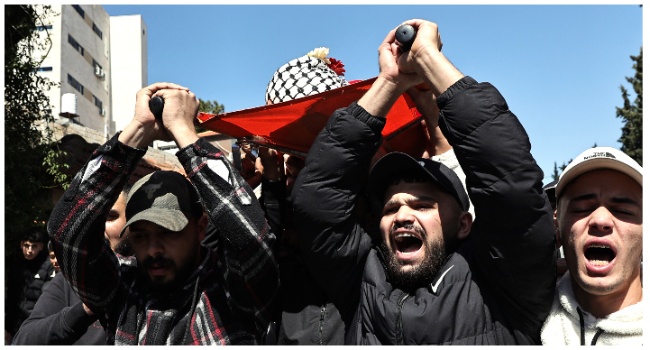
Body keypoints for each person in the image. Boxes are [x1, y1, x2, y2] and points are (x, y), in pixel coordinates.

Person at [291, 19, 556, 345]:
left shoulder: (505, 284)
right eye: (391, 208)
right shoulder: (361, 281)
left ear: (462, 224)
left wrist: (429, 59)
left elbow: (510, 182)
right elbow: (317, 198)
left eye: (422, 204)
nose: (402, 216)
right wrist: (389, 82)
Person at [47, 82, 279, 345]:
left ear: (200, 227)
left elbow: (251, 238)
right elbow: (65, 232)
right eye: (140, 235)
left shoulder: (230, 290)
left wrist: (183, 131)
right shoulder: (122, 287)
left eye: (168, 231)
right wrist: (138, 131)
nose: (153, 249)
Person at [540, 147, 643, 345]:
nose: (600, 219)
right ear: (557, 225)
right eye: (581, 209)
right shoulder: (525, 314)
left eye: (623, 210)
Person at [12, 190, 133, 345]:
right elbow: (23, 340)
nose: (95, 229)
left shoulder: (148, 279)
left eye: (109, 217)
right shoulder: (67, 280)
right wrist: (85, 309)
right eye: (88, 220)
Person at [5, 228, 55, 342]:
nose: (29, 250)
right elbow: (11, 299)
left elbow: (49, 300)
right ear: (21, 245)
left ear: (41, 247)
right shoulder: (17, 266)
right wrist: (8, 328)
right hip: (16, 326)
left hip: (37, 325)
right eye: (27, 246)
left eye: (34, 246)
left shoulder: (48, 266)